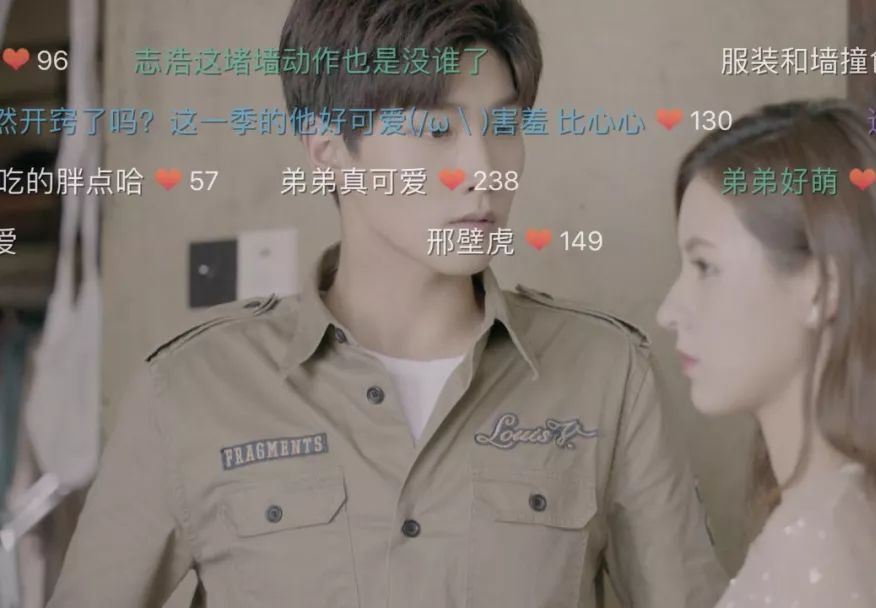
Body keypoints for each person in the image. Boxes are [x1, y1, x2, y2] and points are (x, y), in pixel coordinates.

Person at [46, 1, 725, 606]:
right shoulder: (190, 391)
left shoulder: (609, 376)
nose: (484, 168)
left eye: (503, 124)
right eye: (436, 130)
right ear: (329, 151)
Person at [656, 99, 876, 608]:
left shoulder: (816, 548)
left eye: (704, 267)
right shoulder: (874, 516)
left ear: (823, 286)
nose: (669, 311)